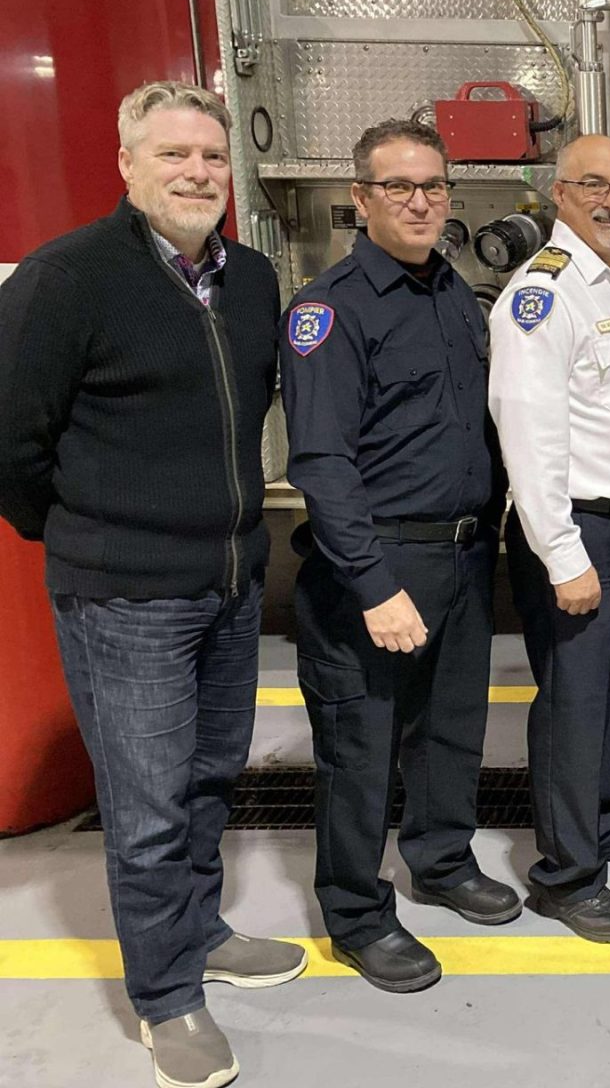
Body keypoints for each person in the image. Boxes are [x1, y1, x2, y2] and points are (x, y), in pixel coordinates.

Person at [0, 80, 302, 1088]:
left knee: (212, 777)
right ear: (125, 164)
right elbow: (13, 441)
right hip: (125, 597)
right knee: (148, 803)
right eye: (173, 154)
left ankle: (199, 930)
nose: (197, 172)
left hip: (227, 583)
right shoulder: (66, 279)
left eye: (212, 157)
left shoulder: (252, 280)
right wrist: (85, 533)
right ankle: (166, 998)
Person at [281, 119, 518, 994]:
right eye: (398, 187)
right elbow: (322, 463)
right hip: (375, 568)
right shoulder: (329, 310)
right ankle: (354, 912)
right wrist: (374, 586)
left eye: (434, 186)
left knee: (450, 730)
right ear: (361, 199)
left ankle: (442, 861)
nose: (420, 201)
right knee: (361, 746)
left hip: (459, 558)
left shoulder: (453, 294)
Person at [488, 134, 610, 944]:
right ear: (558, 195)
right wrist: (562, 556)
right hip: (578, 532)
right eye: (593, 185)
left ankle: (605, 821)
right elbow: (527, 438)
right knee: (573, 705)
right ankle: (565, 875)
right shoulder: (541, 296)